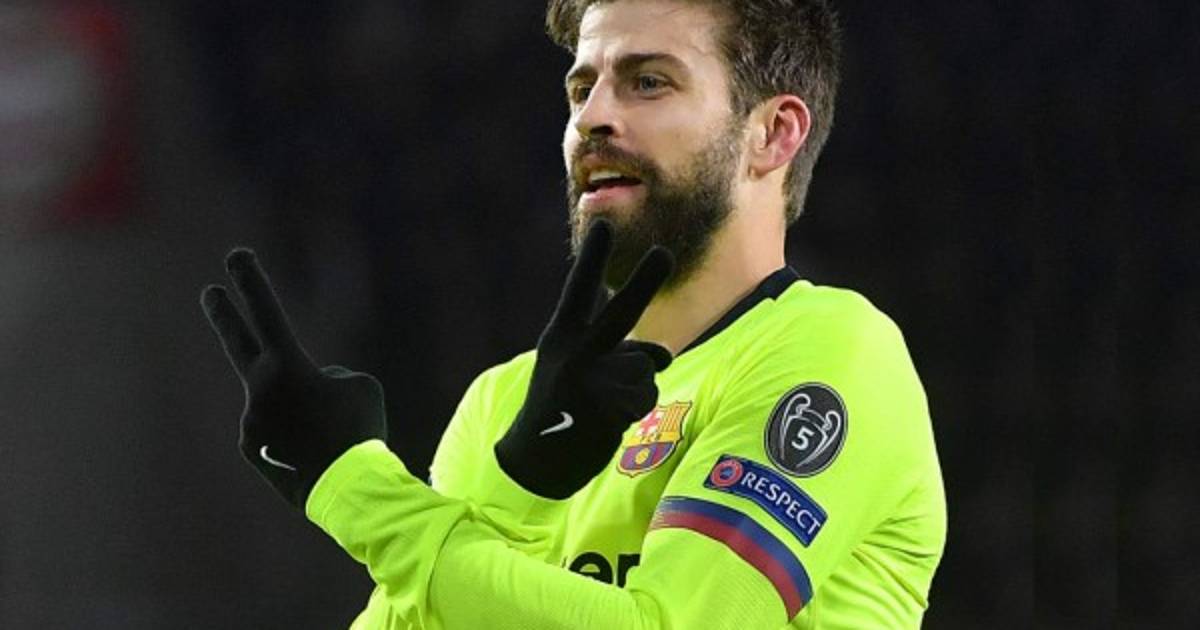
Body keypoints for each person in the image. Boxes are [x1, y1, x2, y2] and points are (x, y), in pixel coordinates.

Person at [201, 0, 946, 628]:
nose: (594, 118)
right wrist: (519, 481)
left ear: (773, 133)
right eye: (581, 89)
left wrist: (351, 486)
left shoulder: (834, 351)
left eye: (648, 82)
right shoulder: (503, 400)